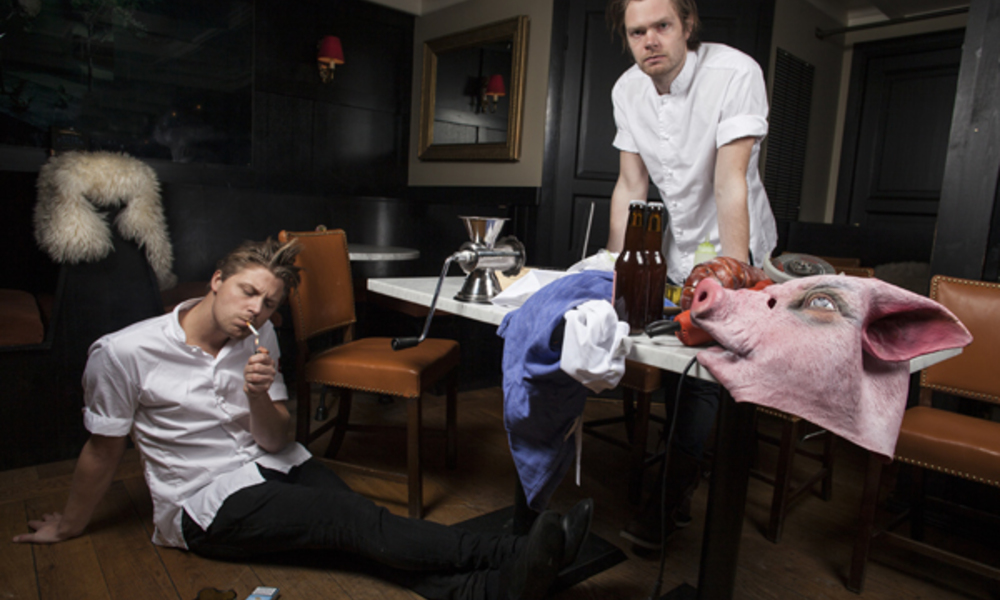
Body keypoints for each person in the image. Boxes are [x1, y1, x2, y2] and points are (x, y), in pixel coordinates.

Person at [12, 238, 592, 600]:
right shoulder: (123, 352)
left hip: (273, 463)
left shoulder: (260, 336)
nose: (255, 310)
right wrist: (68, 524)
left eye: (268, 303)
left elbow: (277, 438)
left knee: (357, 531)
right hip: (202, 501)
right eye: (246, 293)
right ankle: (510, 555)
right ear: (216, 281)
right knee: (351, 522)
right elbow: (103, 449)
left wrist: (257, 396)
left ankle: (484, 591)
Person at [604, 0, 778, 551]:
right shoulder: (626, 90)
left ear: (687, 25)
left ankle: (669, 497)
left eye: (662, 26)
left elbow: (729, 181)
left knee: (703, 371)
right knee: (677, 369)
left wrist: (732, 277)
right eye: (637, 31)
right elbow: (631, 185)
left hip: (734, 242)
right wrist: (612, 264)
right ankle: (683, 470)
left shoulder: (735, 72)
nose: (650, 40)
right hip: (677, 247)